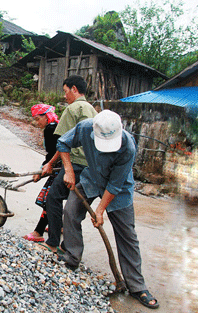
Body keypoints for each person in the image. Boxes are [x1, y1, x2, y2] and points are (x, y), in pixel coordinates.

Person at [57, 110, 159, 309]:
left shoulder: (128, 146)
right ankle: (72, 256)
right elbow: (63, 143)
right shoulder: (86, 127)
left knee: (127, 234)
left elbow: (114, 185)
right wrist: (68, 170)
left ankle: (137, 286)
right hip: (91, 178)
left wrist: (100, 210)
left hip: (118, 190)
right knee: (70, 212)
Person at [23, 75, 97, 251]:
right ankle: (67, 247)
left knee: (53, 198)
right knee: (74, 207)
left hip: (75, 163)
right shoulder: (93, 110)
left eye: (65, 91)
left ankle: (53, 243)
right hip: (90, 165)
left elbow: (63, 143)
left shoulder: (73, 110)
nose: (64, 96)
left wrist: (50, 164)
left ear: (74, 89)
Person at [22, 103, 60, 242]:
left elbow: (52, 154)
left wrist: (41, 170)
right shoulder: (58, 124)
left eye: (38, 119)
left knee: (49, 199)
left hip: (58, 167)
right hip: (62, 165)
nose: (37, 123)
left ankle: (38, 232)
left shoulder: (50, 129)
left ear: (46, 116)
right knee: (57, 197)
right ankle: (58, 225)